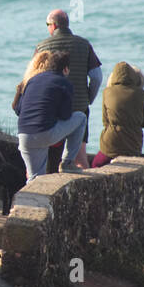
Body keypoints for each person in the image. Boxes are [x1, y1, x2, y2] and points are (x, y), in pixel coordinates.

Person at [34, 9, 102, 171]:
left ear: (54, 25)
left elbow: (33, 78)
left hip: (53, 110)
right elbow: (97, 77)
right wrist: (88, 98)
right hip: (79, 108)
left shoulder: (42, 47)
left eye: (47, 25)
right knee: (79, 158)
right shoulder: (84, 44)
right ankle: (85, 194)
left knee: (51, 158)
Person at [14, 51, 86, 180]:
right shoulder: (64, 83)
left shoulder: (32, 80)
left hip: (23, 135)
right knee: (81, 117)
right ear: (65, 69)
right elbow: (65, 115)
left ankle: (27, 200)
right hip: (44, 133)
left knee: (34, 179)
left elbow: (19, 109)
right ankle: (67, 163)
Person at [93, 63, 144, 167]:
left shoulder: (107, 92)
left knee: (96, 164)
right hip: (133, 144)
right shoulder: (141, 94)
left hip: (111, 143)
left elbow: (105, 121)